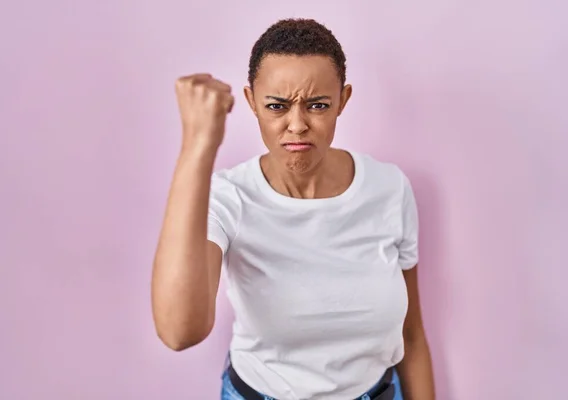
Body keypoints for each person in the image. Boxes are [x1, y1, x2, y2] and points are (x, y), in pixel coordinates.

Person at [152, 18, 436, 400]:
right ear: (252, 101)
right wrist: (198, 145)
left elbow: (411, 334)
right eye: (277, 106)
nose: (297, 125)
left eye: (318, 105)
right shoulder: (228, 197)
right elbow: (178, 331)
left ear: (343, 100)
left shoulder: (389, 188)